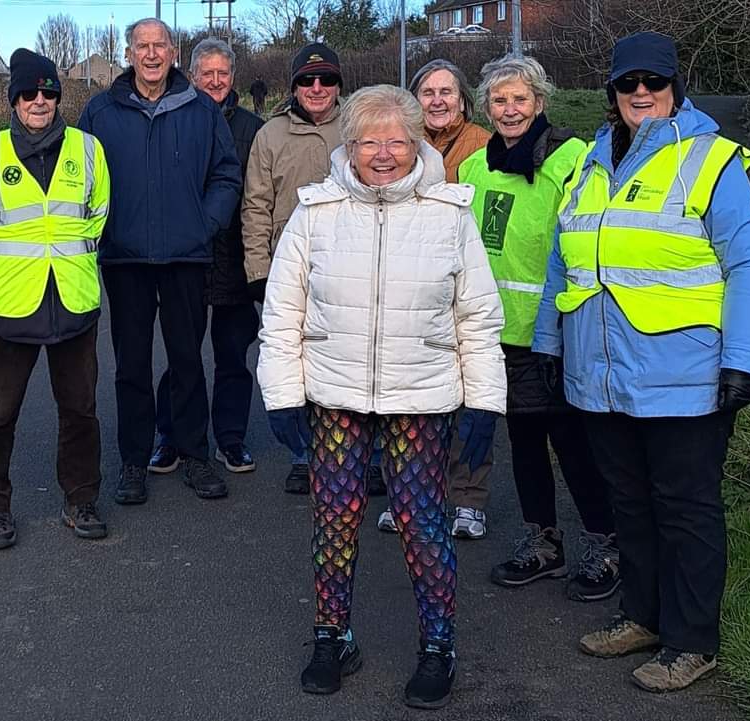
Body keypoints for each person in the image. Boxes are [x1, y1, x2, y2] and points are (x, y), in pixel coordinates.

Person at [532, 32, 750, 691]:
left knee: (686, 508)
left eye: (655, 81)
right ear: (612, 91)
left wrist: (744, 360)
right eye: (628, 82)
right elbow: (565, 257)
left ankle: (692, 639)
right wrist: (550, 343)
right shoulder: (588, 161)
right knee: (629, 503)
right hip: (601, 375)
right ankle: (641, 614)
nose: (641, 92)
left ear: (675, 87)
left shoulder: (710, 160)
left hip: (687, 374)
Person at [257, 84, 507, 709]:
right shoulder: (315, 215)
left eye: (398, 140)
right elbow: (283, 312)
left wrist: (484, 401)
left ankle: (438, 646)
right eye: (370, 141)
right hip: (335, 395)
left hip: (420, 399)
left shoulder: (450, 214)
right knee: (334, 520)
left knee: (423, 524)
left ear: (418, 142)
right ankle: (332, 637)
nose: (385, 153)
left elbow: (476, 316)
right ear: (350, 145)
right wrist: (283, 394)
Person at [455, 55, 621, 601]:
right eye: (499, 100)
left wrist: (557, 326)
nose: (509, 109)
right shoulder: (475, 166)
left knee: (572, 443)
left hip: (554, 332)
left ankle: (607, 543)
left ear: (540, 102)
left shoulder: (572, 159)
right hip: (496, 333)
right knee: (522, 441)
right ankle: (543, 543)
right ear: (487, 107)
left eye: (520, 99)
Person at [0, 49, 111, 550]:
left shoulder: (88, 150)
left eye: (48, 92)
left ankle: (81, 498)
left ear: (58, 97)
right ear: (13, 101)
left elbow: (98, 216)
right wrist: (1, 273)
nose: (39, 101)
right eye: (28, 93)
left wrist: (66, 263)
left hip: (72, 300)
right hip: (6, 308)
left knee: (81, 412)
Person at [78, 19, 241, 505]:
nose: (151, 54)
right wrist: (101, 229)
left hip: (186, 256)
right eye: (142, 46)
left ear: (174, 51)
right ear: (128, 53)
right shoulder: (101, 111)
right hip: (124, 258)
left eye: (160, 46)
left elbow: (226, 175)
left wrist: (202, 224)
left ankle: (194, 454)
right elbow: (80, 180)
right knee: (131, 364)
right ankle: (134, 460)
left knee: (188, 359)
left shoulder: (200, 110)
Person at [242, 42, 365, 495]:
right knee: (297, 364)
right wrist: (258, 268)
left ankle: (357, 454)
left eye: (327, 79)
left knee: (348, 362)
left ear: (338, 85)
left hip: (351, 268)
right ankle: (304, 453)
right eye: (307, 80)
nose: (317, 88)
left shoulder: (359, 127)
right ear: (294, 86)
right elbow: (255, 206)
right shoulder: (270, 136)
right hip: (288, 271)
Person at [379, 59, 493, 538]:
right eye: (428, 92)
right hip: (411, 286)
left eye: (447, 91)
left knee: (467, 396)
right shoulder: (401, 145)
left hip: (462, 278)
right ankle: (409, 492)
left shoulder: (484, 146)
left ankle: (468, 499)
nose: (438, 100)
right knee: (411, 399)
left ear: (463, 99)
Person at [149, 39, 264, 476]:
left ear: (233, 77)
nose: (215, 81)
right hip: (188, 259)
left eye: (223, 73)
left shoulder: (254, 128)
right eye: (206, 73)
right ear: (193, 75)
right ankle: (170, 435)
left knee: (234, 357)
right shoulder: (177, 118)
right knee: (183, 356)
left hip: (236, 258)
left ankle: (230, 439)